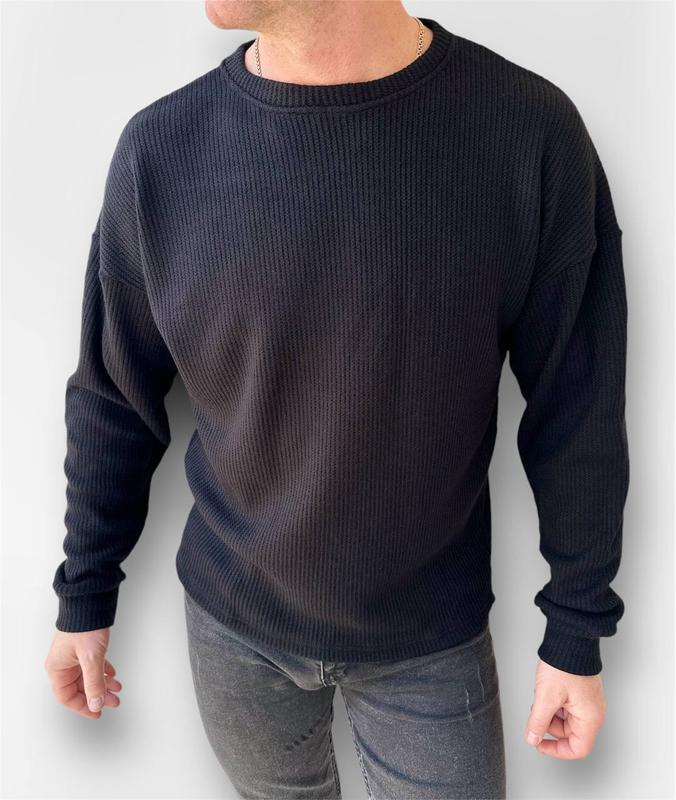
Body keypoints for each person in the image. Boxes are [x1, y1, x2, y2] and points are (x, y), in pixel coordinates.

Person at [44, 2, 629, 798]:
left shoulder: (526, 134)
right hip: (231, 624)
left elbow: (578, 406)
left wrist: (576, 630)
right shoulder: (161, 153)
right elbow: (114, 396)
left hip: (430, 638)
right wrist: (84, 592)